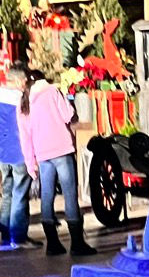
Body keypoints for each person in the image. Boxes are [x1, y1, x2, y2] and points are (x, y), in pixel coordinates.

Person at [19, 67, 96, 257]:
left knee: (47, 196)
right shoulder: (53, 92)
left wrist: (30, 163)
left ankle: (53, 244)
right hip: (62, 149)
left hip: (43, 155)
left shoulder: (24, 102)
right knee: (70, 195)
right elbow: (68, 114)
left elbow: (25, 136)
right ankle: (77, 243)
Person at [0, 61, 34, 249]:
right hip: (20, 151)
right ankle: (19, 237)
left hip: (2, 150)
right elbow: (29, 126)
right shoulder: (21, 97)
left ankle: (5, 232)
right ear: (21, 81)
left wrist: (0, 139)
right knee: (20, 193)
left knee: (8, 192)